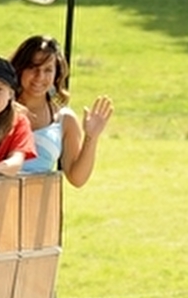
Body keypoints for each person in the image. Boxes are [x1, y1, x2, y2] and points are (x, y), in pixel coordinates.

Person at [11, 35, 114, 186]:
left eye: (48, 70)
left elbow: (77, 179)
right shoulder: (0, 108)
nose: (40, 76)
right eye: (33, 67)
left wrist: (91, 137)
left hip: (38, 204)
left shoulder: (64, 119)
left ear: (56, 74)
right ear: (20, 69)